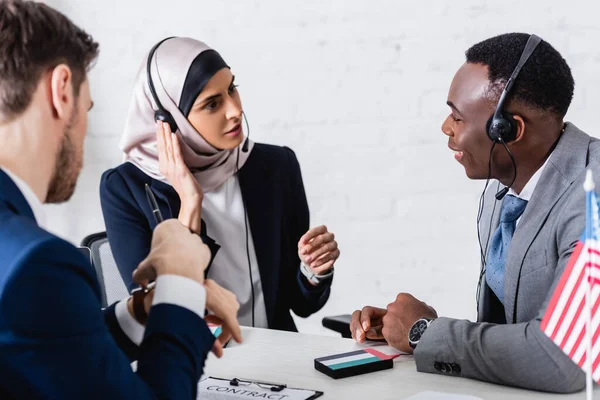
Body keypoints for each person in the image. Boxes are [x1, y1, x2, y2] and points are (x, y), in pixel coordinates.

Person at [0, 1, 240, 398]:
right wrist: (179, 278)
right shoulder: (37, 265)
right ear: (61, 90)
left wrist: (144, 310)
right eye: (88, 108)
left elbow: (48, 347)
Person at [350, 33, 599, 393]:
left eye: (457, 117)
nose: (445, 128)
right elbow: (508, 334)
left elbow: (560, 358)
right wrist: (409, 328)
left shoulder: (592, 196)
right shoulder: (503, 188)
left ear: (509, 129)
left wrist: (426, 334)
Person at [100, 36, 340, 331]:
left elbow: (301, 305)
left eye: (231, 89)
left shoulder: (276, 167)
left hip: (277, 359)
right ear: (170, 121)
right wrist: (189, 202)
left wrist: (313, 270)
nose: (234, 110)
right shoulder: (127, 188)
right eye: (212, 104)